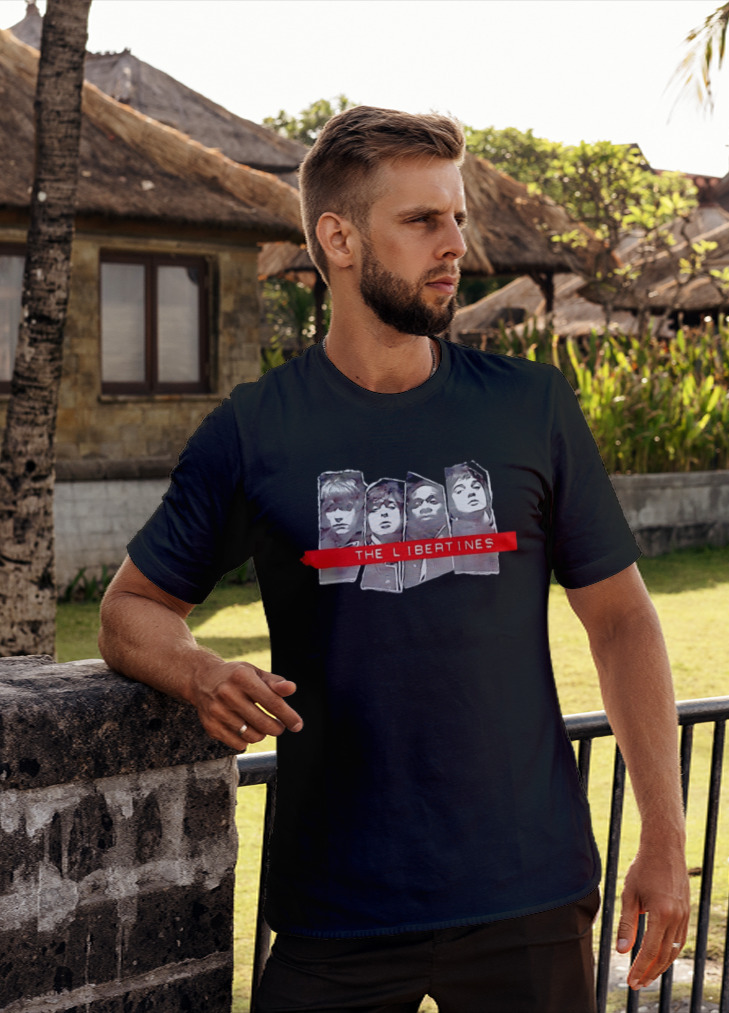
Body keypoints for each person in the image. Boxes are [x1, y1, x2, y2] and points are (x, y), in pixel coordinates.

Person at [99, 105, 689, 1013]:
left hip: (528, 891)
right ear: (338, 237)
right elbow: (127, 609)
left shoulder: (529, 407)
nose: (454, 242)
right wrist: (199, 670)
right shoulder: (257, 431)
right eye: (421, 220)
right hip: (337, 908)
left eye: (455, 216)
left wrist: (664, 834)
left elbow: (620, 620)